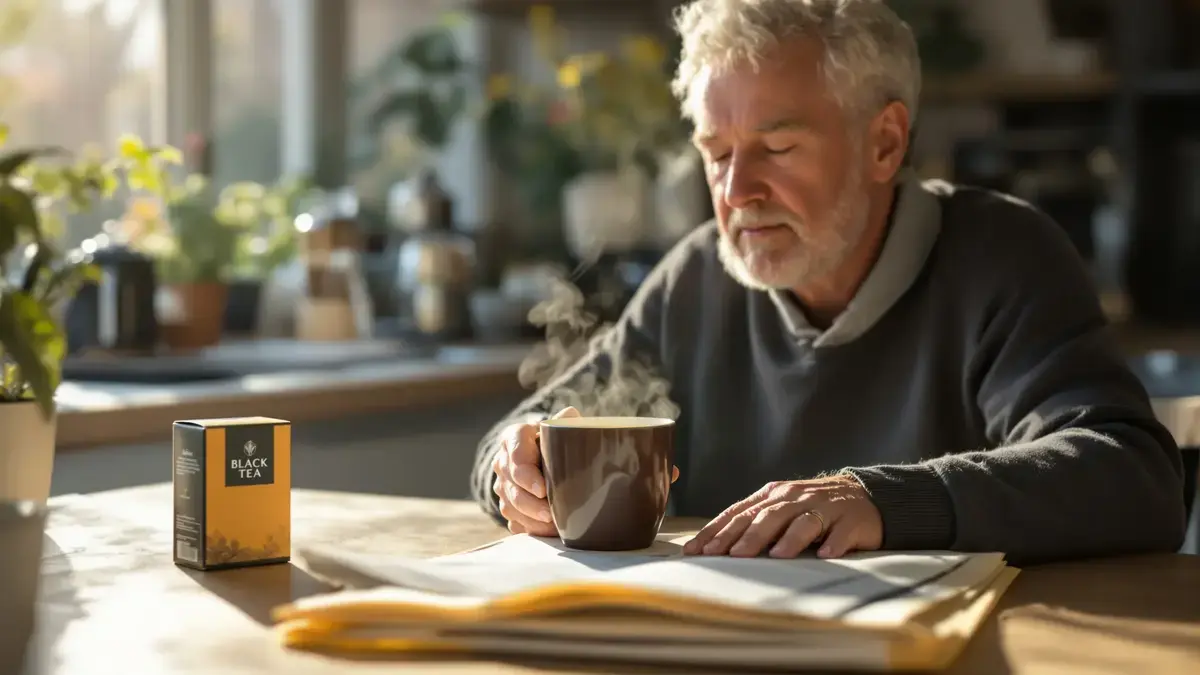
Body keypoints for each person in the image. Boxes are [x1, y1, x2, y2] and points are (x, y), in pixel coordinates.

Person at [470, 0, 1188, 565]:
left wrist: (883, 500)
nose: (737, 190)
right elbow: (524, 434)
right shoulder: (694, 279)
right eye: (716, 153)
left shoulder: (1001, 258)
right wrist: (516, 471)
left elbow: (1134, 479)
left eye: (776, 148)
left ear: (885, 142)